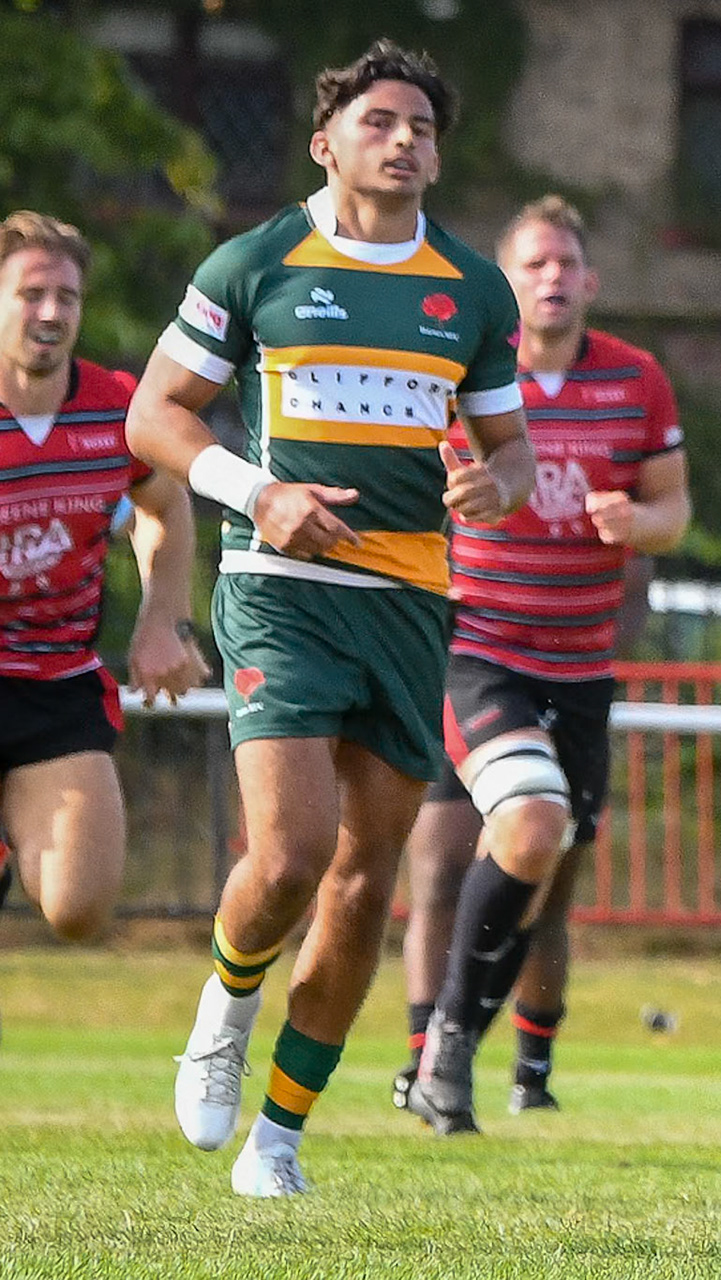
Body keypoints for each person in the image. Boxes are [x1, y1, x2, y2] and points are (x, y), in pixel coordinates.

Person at [127, 40, 534, 1198]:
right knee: (293, 852)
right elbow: (157, 417)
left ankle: (282, 1137)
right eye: (380, 122)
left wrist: (495, 485)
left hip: (411, 604)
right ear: (326, 142)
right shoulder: (257, 261)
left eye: (422, 126)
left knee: (364, 879)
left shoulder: (472, 286)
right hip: (279, 592)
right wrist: (259, 493)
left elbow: (514, 454)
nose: (405, 140)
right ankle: (224, 1002)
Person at [394, 195, 690, 1133]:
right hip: (479, 653)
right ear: (505, 281)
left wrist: (639, 524)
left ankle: (512, 1060)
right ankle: (433, 1049)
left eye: (567, 264)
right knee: (460, 857)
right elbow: (410, 496)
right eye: (534, 265)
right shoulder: (468, 383)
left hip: (581, 666)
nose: (552, 280)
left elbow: (674, 510)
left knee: (549, 876)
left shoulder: (638, 381)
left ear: (590, 281)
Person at [0, 211, 208, 944]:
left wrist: (162, 619)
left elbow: (166, 503)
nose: (51, 312)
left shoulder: (114, 408)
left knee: (80, 908)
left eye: (67, 297)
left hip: (58, 683)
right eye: (31, 294)